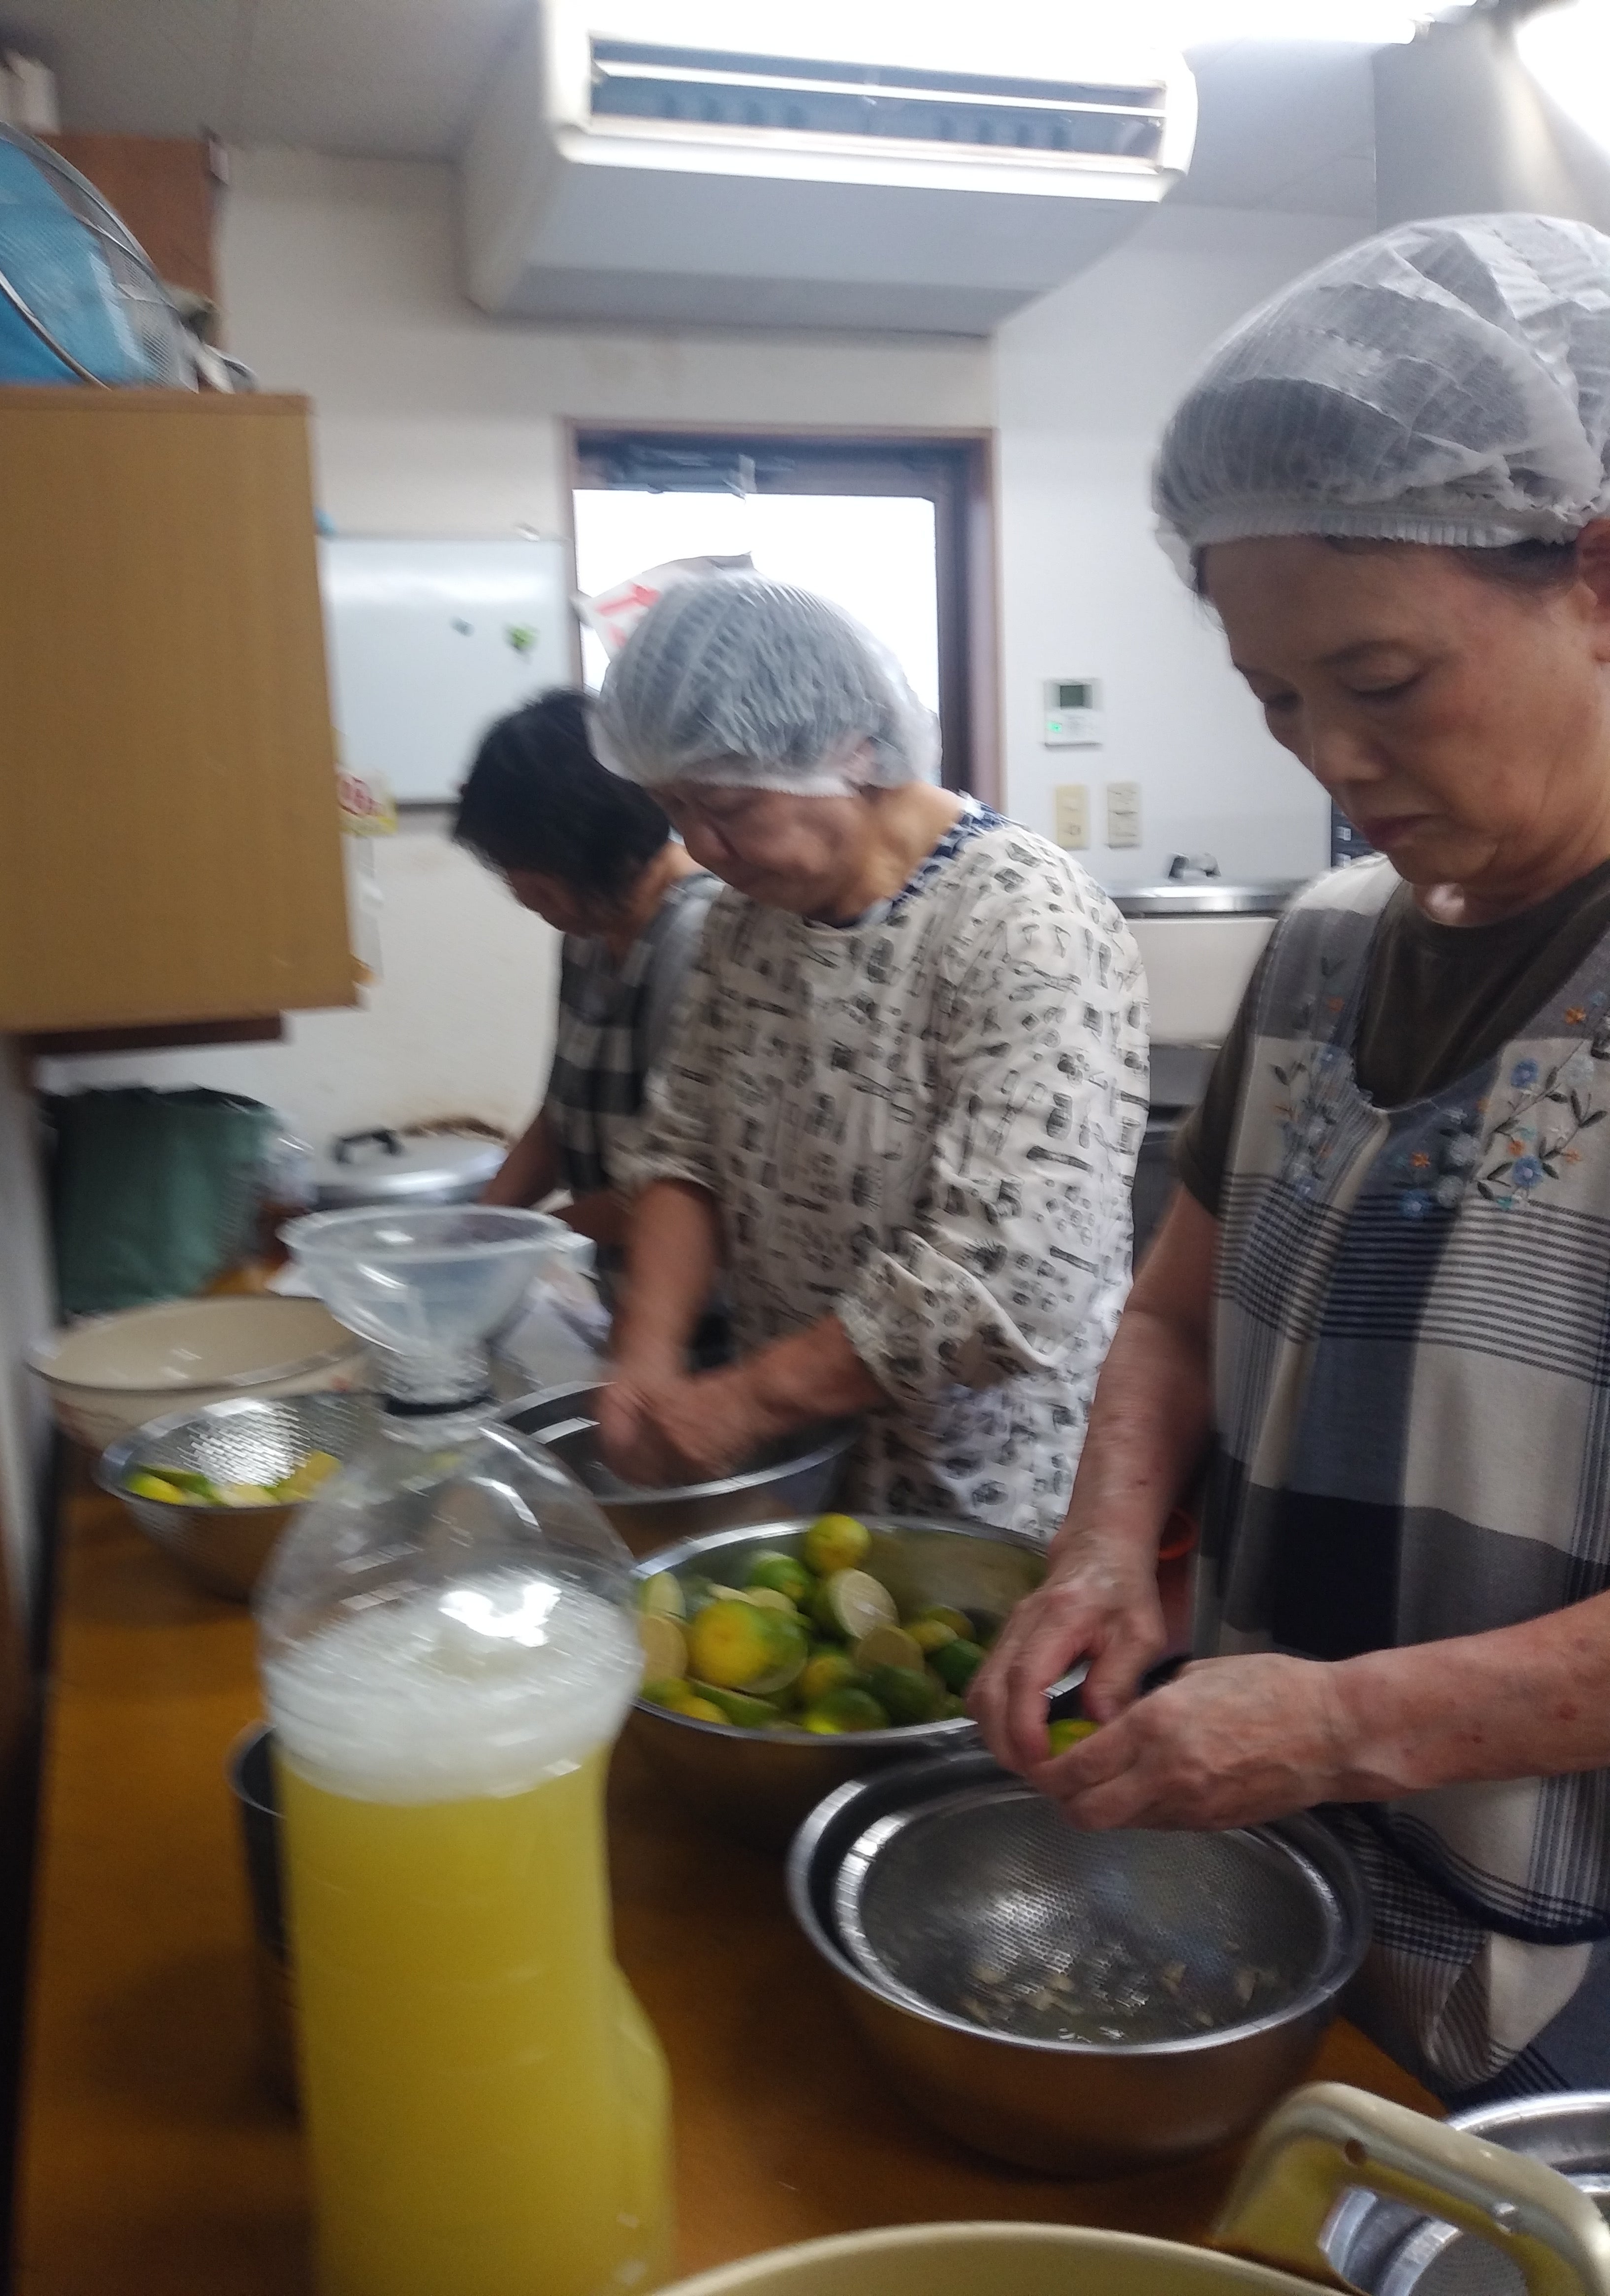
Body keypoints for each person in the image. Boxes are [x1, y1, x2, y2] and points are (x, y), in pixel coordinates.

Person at [972, 213, 1610, 2107]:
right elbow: (1173, 1315)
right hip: (1284, 1889)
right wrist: (1107, 1544)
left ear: (1596, 576)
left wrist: (1345, 1721)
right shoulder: (1326, 948)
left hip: (1563, 1984)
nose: (1330, 755)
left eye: (1383, 679)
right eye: (1275, 696)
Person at [592, 574, 1146, 1535]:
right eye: (673, 807)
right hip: (799, 1476)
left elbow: (1007, 1278)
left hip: (988, 1502)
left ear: (850, 752)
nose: (702, 846)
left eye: (728, 805)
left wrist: (748, 1400)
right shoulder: (744, 922)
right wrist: (646, 1358)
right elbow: (687, 1150)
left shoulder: (1026, 924)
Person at [452, 689, 718, 1290]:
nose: (521, 894)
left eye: (536, 875)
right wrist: (478, 1230)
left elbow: (692, 1180)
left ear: (604, 847)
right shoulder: (589, 934)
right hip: (619, 1285)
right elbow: (561, 1113)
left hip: (700, 1306)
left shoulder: (697, 940)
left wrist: (528, 1238)